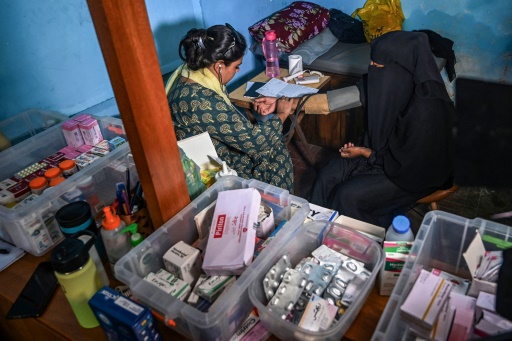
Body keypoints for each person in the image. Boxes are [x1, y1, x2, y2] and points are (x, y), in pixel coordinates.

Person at [255, 31, 455, 228]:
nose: (372, 70)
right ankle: (312, 229)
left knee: (349, 196)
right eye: (371, 63)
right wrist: (282, 103)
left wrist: (365, 152)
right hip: (378, 154)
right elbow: (332, 101)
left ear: (403, 68)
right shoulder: (380, 82)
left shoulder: (429, 108)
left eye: (379, 66)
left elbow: (412, 165)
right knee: (327, 175)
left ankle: (353, 245)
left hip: (415, 172)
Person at [166, 24, 295, 191]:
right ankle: (278, 205)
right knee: (275, 149)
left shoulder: (192, 73)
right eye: (236, 66)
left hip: (211, 147)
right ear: (219, 65)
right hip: (211, 165)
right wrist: (281, 114)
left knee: (270, 141)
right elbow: (255, 141)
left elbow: (221, 118)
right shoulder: (198, 100)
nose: (238, 70)